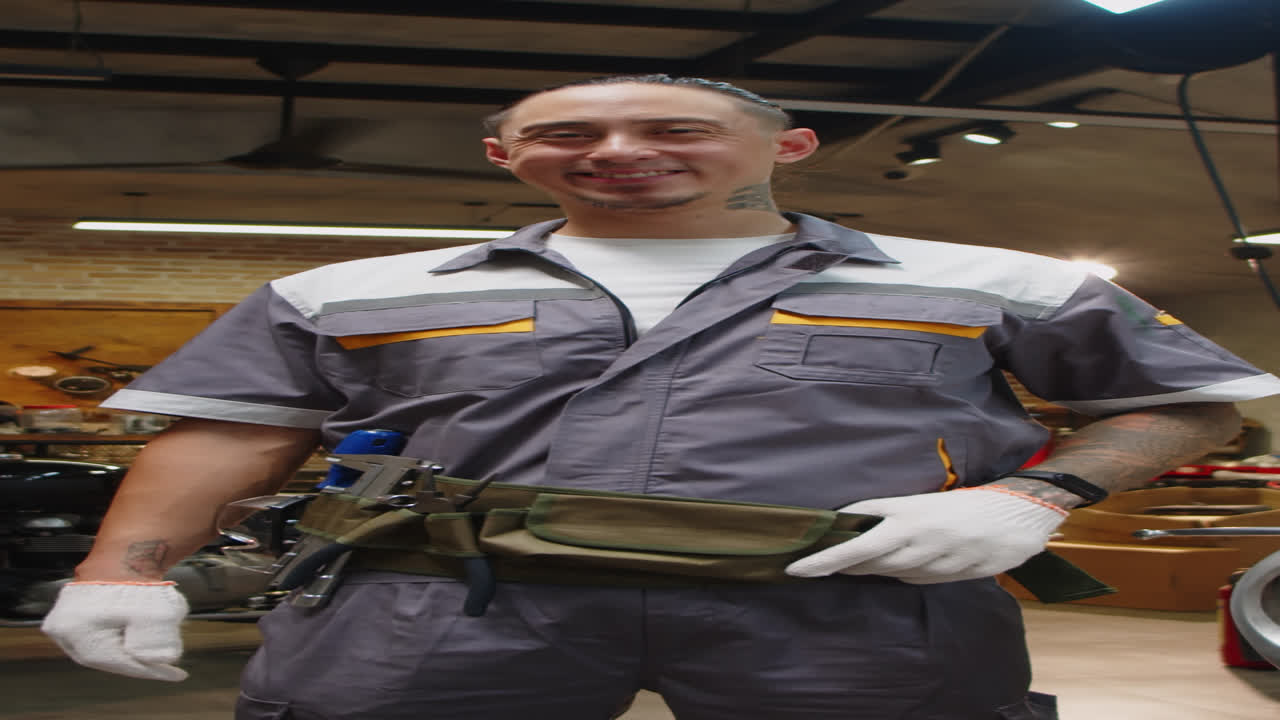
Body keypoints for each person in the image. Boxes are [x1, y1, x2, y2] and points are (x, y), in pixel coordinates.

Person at [41, 74, 1280, 720]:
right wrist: (122, 571)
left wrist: (1036, 496)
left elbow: (1190, 405)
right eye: (565, 133)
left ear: (785, 146)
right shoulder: (352, 290)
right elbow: (236, 431)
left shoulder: (990, 279)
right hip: (439, 606)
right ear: (505, 156)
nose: (617, 150)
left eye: (672, 127)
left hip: (845, 607)